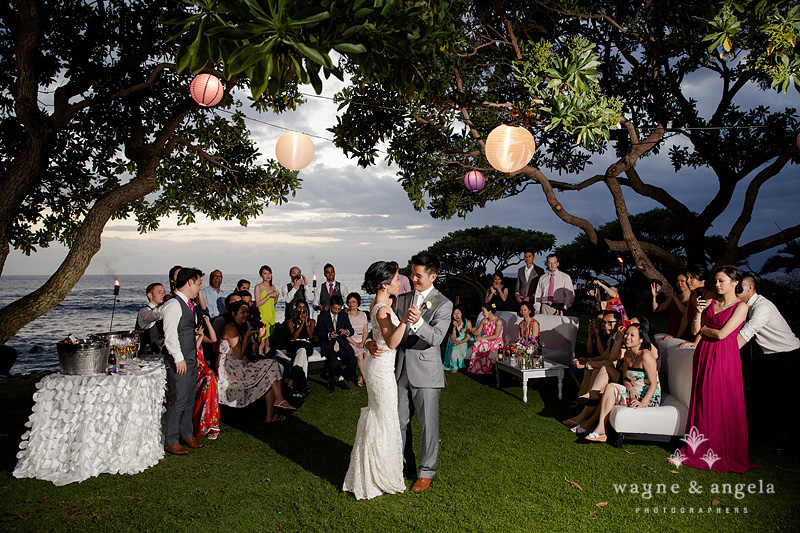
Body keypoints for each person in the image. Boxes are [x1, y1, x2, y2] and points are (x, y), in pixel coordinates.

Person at [367, 253, 453, 494]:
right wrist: (368, 342)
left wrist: (417, 323)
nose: (412, 278)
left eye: (418, 275)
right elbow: (380, 322)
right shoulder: (401, 298)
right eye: (411, 273)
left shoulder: (444, 304)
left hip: (427, 372)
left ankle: (426, 473)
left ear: (432, 276)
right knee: (398, 422)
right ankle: (399, 465)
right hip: (399, 369)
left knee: (428, 426)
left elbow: (436, 338)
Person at [343, 261, 408, 500]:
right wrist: (405, 321)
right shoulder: (382, 308)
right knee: (384, 418)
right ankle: (376, 475)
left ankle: (372, 471)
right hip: (380, 369)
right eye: (396, 279)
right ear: (384, 283)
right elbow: (391, 342)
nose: (400, 283)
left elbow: (378, 335)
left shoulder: (380, 304)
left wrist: (370, 341)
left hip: (378, 364)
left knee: (381, 416)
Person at [680, 265, 752, 472]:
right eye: (717, 281)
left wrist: (703, 329)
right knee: (702, 399)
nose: (718, 285)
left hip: (724, 356)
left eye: (722, 281)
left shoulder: (741, 307)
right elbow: (695, 330)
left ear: (734, 283)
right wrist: (699, 313)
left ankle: (720, 450)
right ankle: (699, 448)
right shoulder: (710, 303)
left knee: (721, 400)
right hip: (703, 353)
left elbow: (722, 335)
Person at [737, 274, 800, 451]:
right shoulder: (746, 307)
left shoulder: (762, 307)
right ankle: (767, 438)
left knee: (791, 400)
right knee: (763, 396)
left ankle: (794, 444)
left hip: (789, 356)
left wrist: (723, 355)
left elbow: (746, 334)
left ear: (749, 288)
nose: (736, 291)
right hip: (770, 357)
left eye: (739, 287)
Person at [584, 323, 661, 443]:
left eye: (632, 335)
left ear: (641, 339)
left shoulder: (646, 355)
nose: (627, 337)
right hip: (633, 392)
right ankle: (601, 429)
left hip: (649, 397)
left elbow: (654, 384)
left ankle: (596, 427)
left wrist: (642, 403)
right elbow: (625, 378)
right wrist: (630, 389)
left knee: (609, 390)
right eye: (626, 334)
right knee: (610, 387)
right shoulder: (628, 354)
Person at [217, 301, 292, 423]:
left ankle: (270, 414)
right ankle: (278, 400)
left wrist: (259, 337)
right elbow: (239, 355)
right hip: (233, 370)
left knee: (271, 369)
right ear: (233, 313)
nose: (246, 315)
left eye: (247, 312)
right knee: (271, 365)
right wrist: (247, 337)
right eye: (242, 312)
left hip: (242, 365)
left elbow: (252, 352)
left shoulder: (242, 327)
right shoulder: (231, 329)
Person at [161, 267, 205, 455]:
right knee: (179, 399)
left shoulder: (188, 304)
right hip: (180, 360)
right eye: (199, 284)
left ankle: (187, 434)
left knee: (188, 399)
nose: (199, 289)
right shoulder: (173, 304)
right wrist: (179, 359)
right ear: (190, 282)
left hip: (191, 358)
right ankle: (171, 440)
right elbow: (169, 334)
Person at [317, 294, 357, 392]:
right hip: (329, 345)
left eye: (339, 309)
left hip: (341, 345)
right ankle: (331, 382)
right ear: (330, 306)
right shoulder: (322, 316)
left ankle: (342, 378)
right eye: (335, 309)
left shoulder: (344, 315)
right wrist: (329, 335)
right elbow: (319, 333)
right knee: (334, 363)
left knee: (353, 361)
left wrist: (346, 331)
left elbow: (351, 330)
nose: (336, 311)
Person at [193, 314, 220, 440]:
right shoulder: (186, 337)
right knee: (209, 380)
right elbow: (193, 351)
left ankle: (211, 423)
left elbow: (214, 339)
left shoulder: (199, 336)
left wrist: (208, 324)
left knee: (211, 380)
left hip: (203, 369)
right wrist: (199, 337)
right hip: (194, 370)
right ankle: (202, 423)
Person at [285, 300, 315, 393]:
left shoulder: (312, 322)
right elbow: (294, 337)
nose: (301, 310)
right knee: (302, 352)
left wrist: (306, 323)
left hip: (306, 344)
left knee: (303, 350)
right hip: (294, 345)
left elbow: (310, 336)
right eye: (299, 307)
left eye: (304, 308)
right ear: (295, 309)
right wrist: (301, 324)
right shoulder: (290, 322)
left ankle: (291, 380)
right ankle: (302, 383)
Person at [467, 303, 504, 375]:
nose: (482, 313)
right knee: (478, 343)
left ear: (489, 311)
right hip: (486, 340)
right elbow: (478, 332)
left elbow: (496, 336)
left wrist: (481, 338)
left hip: (496, 342)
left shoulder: (498, 321)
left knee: (482, 344)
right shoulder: (484, 321)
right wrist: (473, 331)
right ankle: (476, 368)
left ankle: (485, 368)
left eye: (484, 311)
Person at [651, 273, 690, 338]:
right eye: (677, 281)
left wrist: (674, 296)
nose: (679, 283)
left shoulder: (692, 299)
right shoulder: (673, 298)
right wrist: (654, 296)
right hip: (672, 334)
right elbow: (656, 309)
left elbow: (686, 312)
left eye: (682, 281)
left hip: (686, 335)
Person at [344, 292, 369, 387]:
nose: (351, 304)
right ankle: (365, 378)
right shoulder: (345, 315)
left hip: (362, 340)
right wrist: (355, 344)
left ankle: (360, 376)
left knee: (366, 355)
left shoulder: (363, 314)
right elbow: (346, 335)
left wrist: (363, 342)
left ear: (358, 303)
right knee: (359, 356)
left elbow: (365, 331)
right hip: (351, 341)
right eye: (349, 302)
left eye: (353, 302)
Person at [136, 282, 165, 354]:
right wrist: (168, 305)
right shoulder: (144, 311)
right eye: (159, 292)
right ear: (150, 295)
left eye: (164, 292)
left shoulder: (163, 310)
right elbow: (154, 315)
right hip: (147, 353)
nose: (163, 295)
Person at [443, 306, 472, 372]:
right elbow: (453, 338)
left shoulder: (467, 322)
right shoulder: (451, 324)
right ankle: (454, 366)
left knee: (457, 344)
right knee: (454, 344)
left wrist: (460, 342)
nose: (457, 316)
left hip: (464, 341)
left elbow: (468, 337)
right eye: (454, 314)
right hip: (454, 340)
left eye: (458, 313)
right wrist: (454, 327)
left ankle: (457, 365)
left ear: (461, 313)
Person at [254, 265, 279, 338]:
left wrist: (276, 297)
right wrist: (269, 296)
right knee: (261, 341)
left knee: (269, 342)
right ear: (261, 275)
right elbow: (258, 304)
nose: (268, 276)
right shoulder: (258, 287)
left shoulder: (273, 287)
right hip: (262, 316)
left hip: (271, 316)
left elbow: (273, 304)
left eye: (269, 273)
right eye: (265, 273)